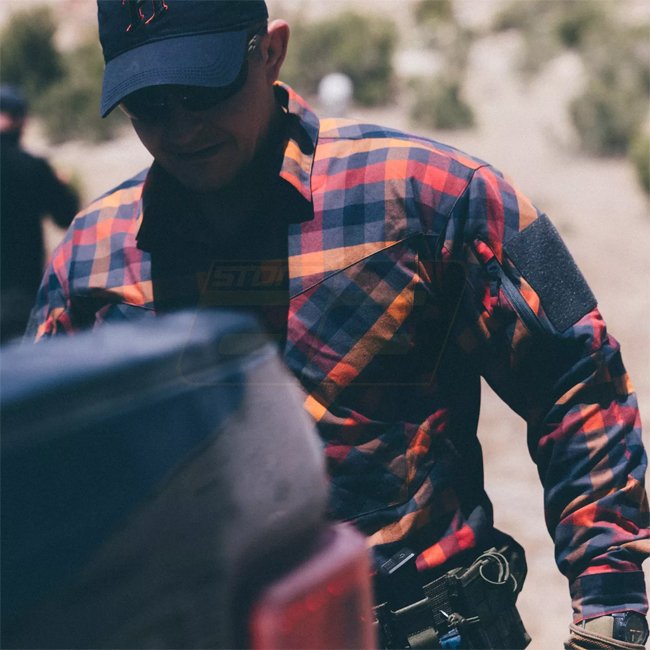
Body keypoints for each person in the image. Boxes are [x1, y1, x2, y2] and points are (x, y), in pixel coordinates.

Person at [27, 1, 648, 647]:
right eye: (149, 105)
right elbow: (46, 483)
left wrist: (609, 612)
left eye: (203, 90)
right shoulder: (92, 259)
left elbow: (576, 380)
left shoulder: (429, 195)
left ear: (270, 52)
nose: (181, 128)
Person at [0, 85, 79, 343]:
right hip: (20, 295)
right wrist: (63, 185)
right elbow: (67, 216)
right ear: (22, 121)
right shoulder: (33, 168)